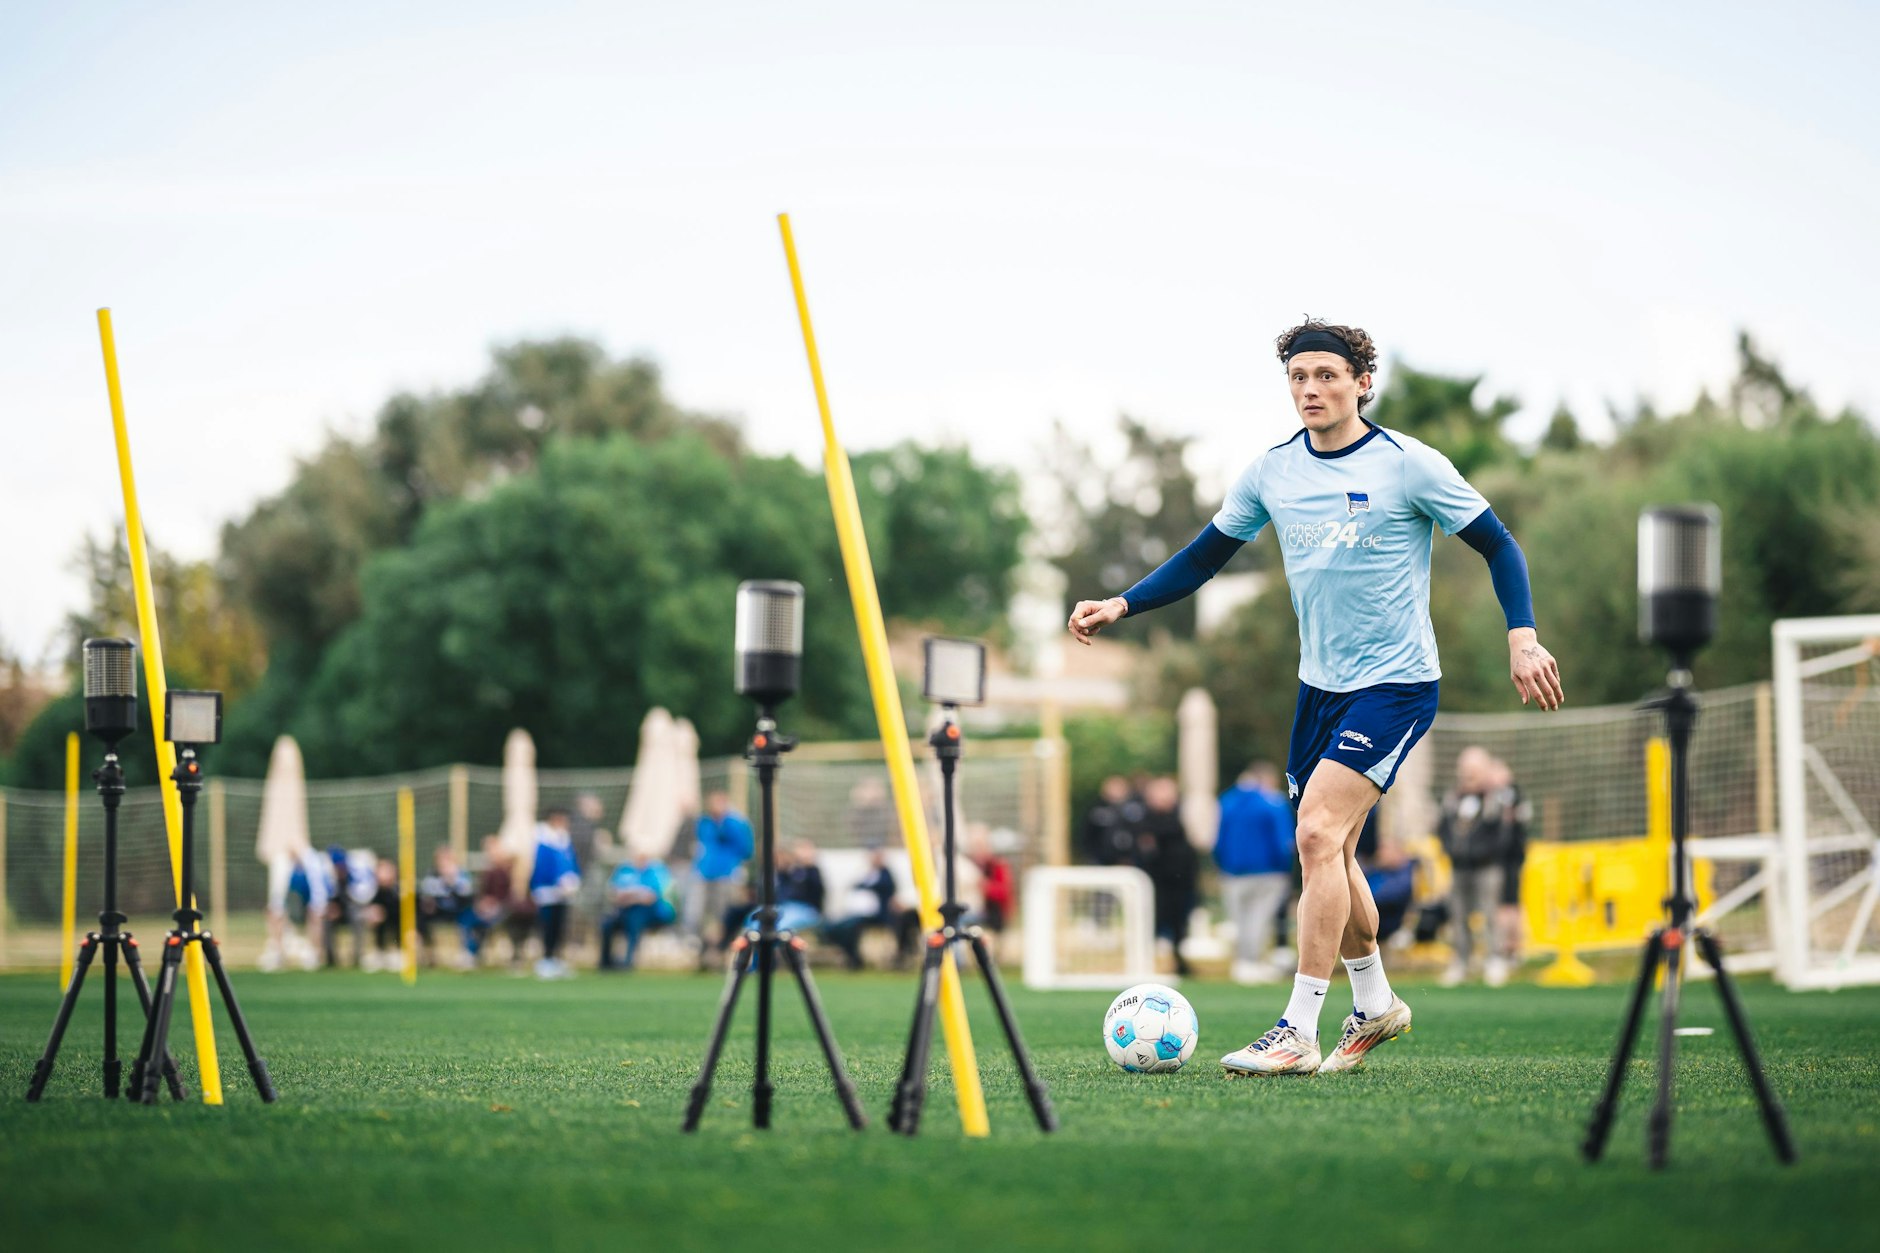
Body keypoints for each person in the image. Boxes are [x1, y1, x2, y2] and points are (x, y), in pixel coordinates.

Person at [1069, 317, 1563, 1076]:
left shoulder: (1409, 465)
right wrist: (1123, 604)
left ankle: (1298, 1026)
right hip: (1318, 690)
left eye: (1327, 376)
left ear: (1362, 382)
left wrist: (1521, 636)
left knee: (1313, 835)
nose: (1311, 390)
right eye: (1300, 378)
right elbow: (1204, 556)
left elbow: (1499, 542)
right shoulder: (1272, 472)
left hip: (1395, 685)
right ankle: (1374, 1003)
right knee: (1331, 853)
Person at [1436, 747, 1531, 986]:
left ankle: (1494, 960)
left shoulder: (1496, 799)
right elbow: (1443, 829)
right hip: (1458, 867)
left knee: (1491, 915)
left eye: (1474, 770)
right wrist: (1451, 851)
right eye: (1465, 770)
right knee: (1458, 915)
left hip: (1488, 866)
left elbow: (1504, 833)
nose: (1468, 775)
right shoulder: (1452, 798)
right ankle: (1461, 961)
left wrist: (1485, 853)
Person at [1214, 762, 1297, 984]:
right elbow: (1284, 842)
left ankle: (1242, 962)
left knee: (1239, 920)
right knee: (1259, 920)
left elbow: (1219, 840)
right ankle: (1252, 963)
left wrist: (1222, 864)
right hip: (1268, 871)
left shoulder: (1227, 801)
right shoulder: (1273, 802)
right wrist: (1286, 867)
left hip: (1232, 872)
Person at [682, 788, 754, 967]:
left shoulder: (736, 823)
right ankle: (702, 952)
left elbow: (746, 850)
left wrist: (726, 827)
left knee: (723, 917)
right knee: (695, 915)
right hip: (703, 873)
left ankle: (720, 954)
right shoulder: (705, 823)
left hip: (726, 875)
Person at [1135, 776, 1198, 977]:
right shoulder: (1145, 820)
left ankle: (1178, 960)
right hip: (1157, 883)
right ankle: (1148, 962)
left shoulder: (1178, 816)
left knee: (1179, 924)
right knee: (1154, 922)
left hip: (1180, 883)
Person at [824, 844, 917, 970]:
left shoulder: (886, 874)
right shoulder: (866, 873)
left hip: (877, 915)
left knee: (851, 927)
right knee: (839, 927)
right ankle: (851, 955)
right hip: (859, 913)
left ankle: (855, 960)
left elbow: (886, 889)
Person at [597, 849, 676, 971]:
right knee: (607, 924)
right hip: (624, 911)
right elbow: (613, 894)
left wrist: (629, 898)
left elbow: (651, 897)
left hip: (652, 913)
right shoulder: (624, 870)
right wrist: (634, 897)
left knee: (635, 918)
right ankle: (606, 962)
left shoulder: (656, 870)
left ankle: (628, 961)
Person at [529, 807, 581, 979]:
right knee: (548, 927)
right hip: (547, 892)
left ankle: (556, 959)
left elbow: (572, 865)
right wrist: (557, 881)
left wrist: (573, 879)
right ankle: (546, 960)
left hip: (563, 894)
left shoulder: (564, 841)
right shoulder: (542, 841)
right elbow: (542, 867)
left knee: (560, 927)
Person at [417, 845, 474, 969]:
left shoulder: (462, 875)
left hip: (458, 910)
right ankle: (426, 953)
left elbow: (467, 897)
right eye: (441, 859)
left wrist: (452, 882)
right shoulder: (432, 875)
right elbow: (426, 894)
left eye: (447, 859)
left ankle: (466, 953)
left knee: (468, 917)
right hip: (439, 911)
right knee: (420, 917)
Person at [1082, 775, 1143, 867]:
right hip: (1102, 861)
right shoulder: (1096, 810)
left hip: (1133, 862)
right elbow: (1088, 835)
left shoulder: (1137, 809)